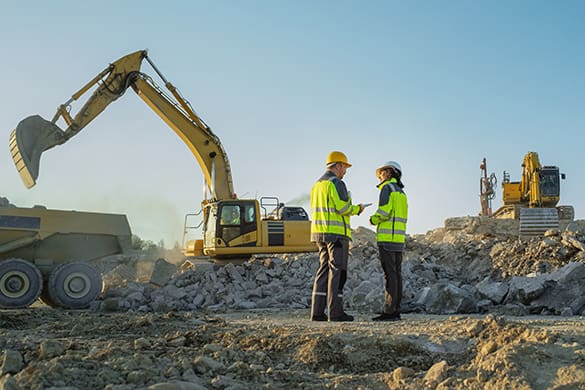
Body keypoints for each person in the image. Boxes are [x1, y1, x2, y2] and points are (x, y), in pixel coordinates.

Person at [309, 151, 366, 322]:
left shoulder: (317, 185)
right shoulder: (336, 183)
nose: (346, 171)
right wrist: (357, 209)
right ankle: (335, 313)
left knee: (323, 271)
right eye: (345, 167)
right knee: (337, 272)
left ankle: (317, 313)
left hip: (319, 233)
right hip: (336, 234)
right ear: (338, 165)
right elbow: (342, 208)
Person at [369, 161, 408, 321]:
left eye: (382, 172)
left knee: (389, 275)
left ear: (390, 173)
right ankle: (396, 309)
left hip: (386, 239)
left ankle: (389, 311)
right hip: (398, 239)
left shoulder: (387, 189)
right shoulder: (401, 193)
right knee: (396, 274)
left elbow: (384, 212)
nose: (380, 176)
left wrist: (373, 219)